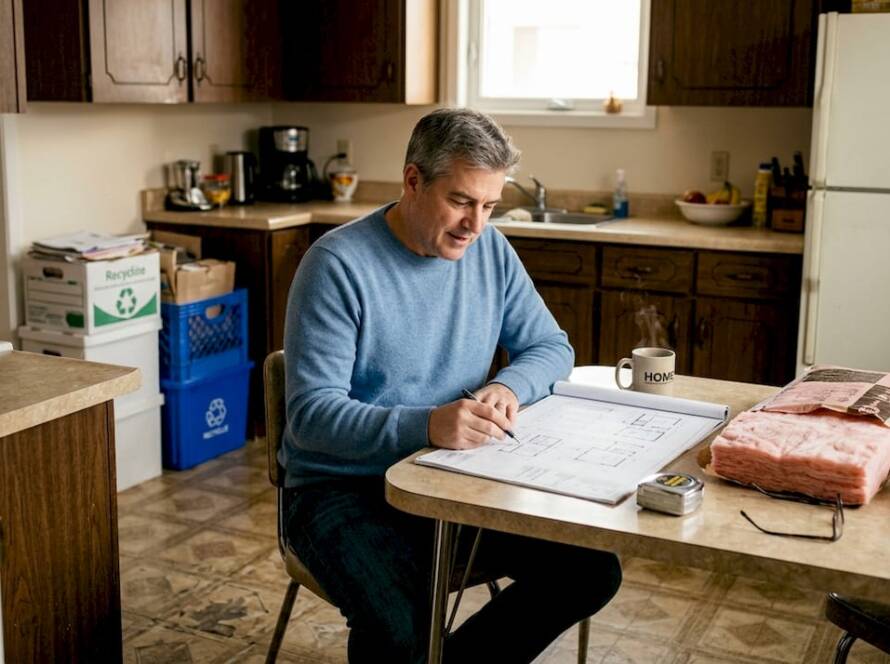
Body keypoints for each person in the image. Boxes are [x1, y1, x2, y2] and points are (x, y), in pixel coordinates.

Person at [280, 107, 622, 663]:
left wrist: (509, 386)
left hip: (455, 479)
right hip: (341, 489)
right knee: (401, 628)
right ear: (413, 180)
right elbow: (312, 416)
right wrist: (427, 423)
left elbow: (551, 347)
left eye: (489, 205)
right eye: (462, 201)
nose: (476, 224)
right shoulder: (337, 264)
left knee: (590, 568)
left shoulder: (489, 251)